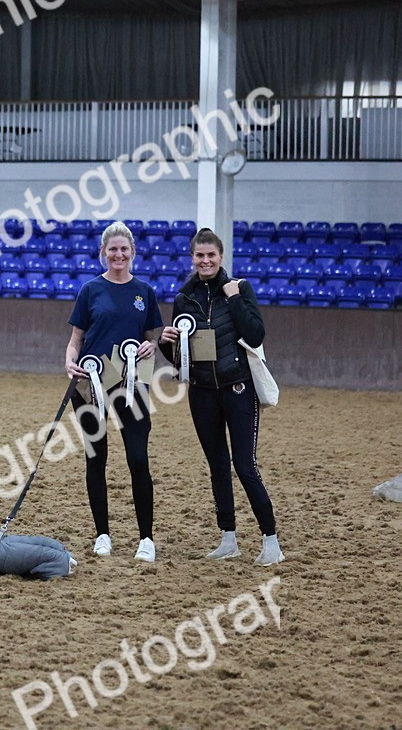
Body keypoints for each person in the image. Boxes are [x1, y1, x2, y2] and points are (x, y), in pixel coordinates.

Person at [159, 227, 283, 566]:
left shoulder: (240, 288)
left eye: (211, 255)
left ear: (221, 256)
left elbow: (255, 334)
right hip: (201, 393)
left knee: (244, 465)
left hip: (239, 389)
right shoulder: (184, 297)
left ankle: (270, 540)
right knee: (217, 466)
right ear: (192, 258)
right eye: (199, 255)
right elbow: (179, 362)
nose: (205, 260)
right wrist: (165, 342)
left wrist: (232, 298)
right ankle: (228, 538)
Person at [64, 221, 163, 562]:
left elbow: (153, 335)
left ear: (132, 253)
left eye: (124, 249)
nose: (118, 254)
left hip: (134, 381)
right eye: (113, 249)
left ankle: (146, 539)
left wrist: (151, 346)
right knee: (96, 459)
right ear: (103, 253)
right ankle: (102, 534)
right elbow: (76, 340)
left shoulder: (144, 292)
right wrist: (69, 364)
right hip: (91, 383)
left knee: (138, 459)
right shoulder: (90, 290)